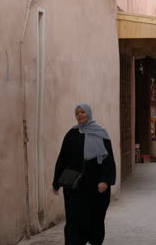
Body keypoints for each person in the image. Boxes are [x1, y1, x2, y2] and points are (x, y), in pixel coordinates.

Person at [53, 103, 116, 245]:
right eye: (77, 113)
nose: (80, 115)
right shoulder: (71, 134)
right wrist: (56, 182)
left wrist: (105, 180)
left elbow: (108, 160)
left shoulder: (102, 133)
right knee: (74, 219)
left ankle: (95, 240)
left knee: (95, 218)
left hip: (96, 186)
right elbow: (62, 158)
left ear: (89, 113)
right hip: (75, 186)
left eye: (82, 112)